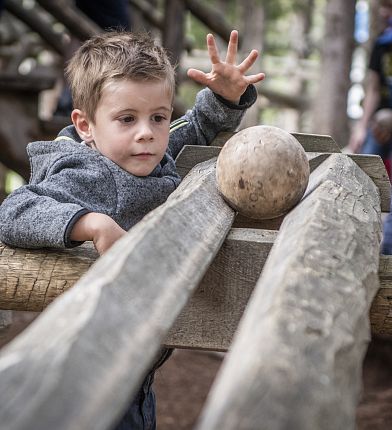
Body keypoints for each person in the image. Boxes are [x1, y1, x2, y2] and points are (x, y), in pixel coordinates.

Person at [0, 30, 265, 429]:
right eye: (127, 119)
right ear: (85, 126)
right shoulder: (85, 172)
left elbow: (193, 127)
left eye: (158, 116)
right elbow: (14, 210)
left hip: (135, 358)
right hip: (91, 364)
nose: (147, 132)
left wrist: (226, 97)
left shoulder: (143, 150)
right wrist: (91, 223)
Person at [348, 0, 392, 174]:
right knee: (365, 168)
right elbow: (373, 89)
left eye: (389, 7)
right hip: (378, 125)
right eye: (383, 7)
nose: (383, 12)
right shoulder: (381, 44)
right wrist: (361, 128)